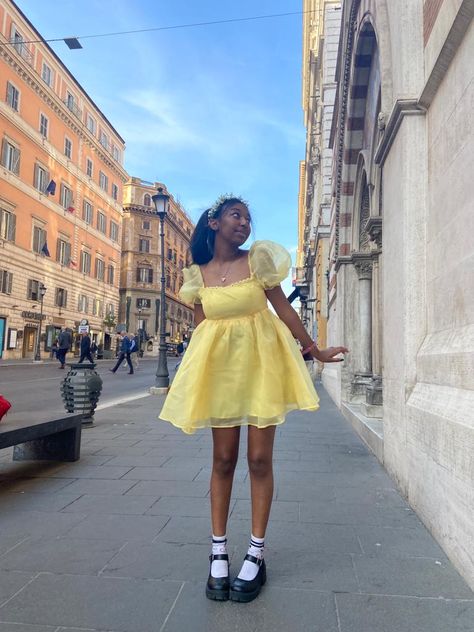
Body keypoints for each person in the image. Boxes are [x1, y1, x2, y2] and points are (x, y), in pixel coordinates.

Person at [159, 195, 348, 603]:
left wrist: (315, 349)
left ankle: (256, 554)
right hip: (223, 375)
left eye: (247, 218)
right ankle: (218, 552)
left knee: (259, 460)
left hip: (261, 368)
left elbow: (284, 310)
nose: (244, 223)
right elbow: (202, 334)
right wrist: (190, 381)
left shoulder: (258, 261)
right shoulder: (198, 275)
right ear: (215, 222)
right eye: (235, 215)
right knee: (223, 460)